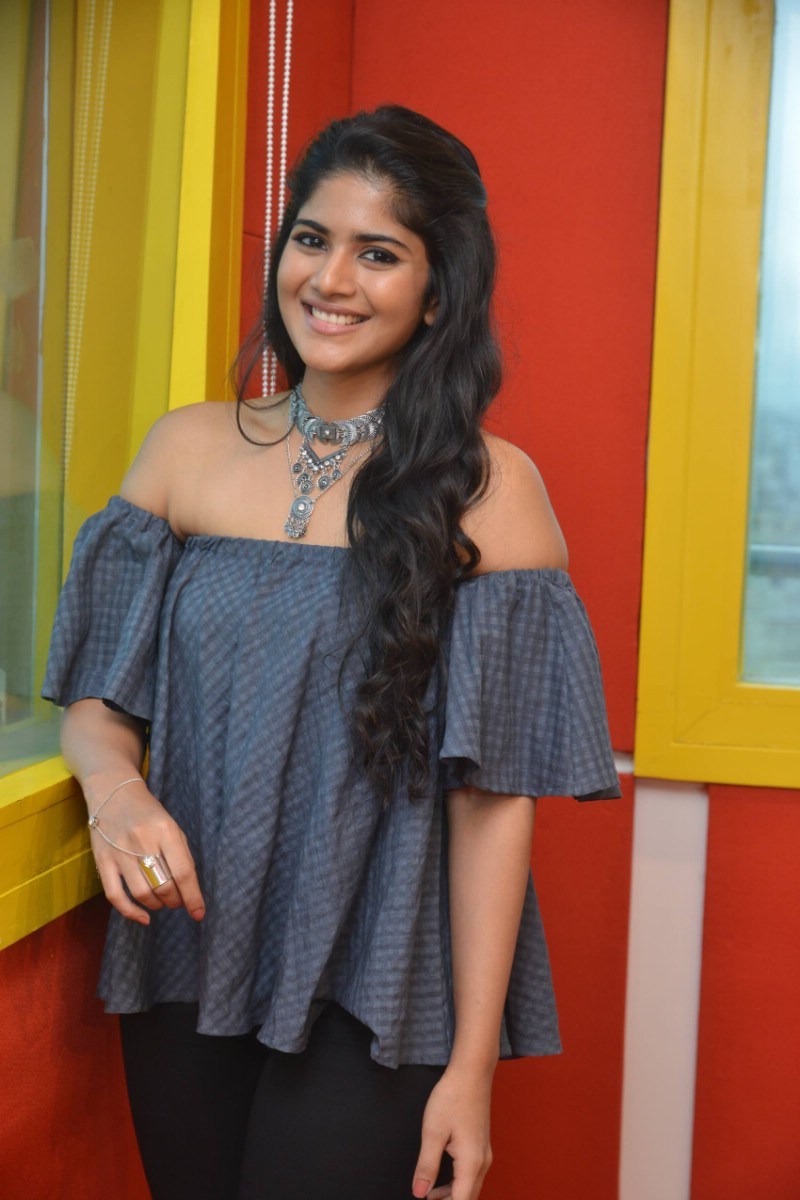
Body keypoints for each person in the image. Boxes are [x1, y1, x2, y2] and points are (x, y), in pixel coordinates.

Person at [43, 105, 620, 1200]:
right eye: (312, 239)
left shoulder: (491, 490)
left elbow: (491, 806)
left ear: (436, 292)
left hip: (379, 973)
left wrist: (471, 1070)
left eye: (379, 253)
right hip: (187, 948)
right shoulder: (183, 449)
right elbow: (97, 706)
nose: (332, 279)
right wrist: (116, 792)